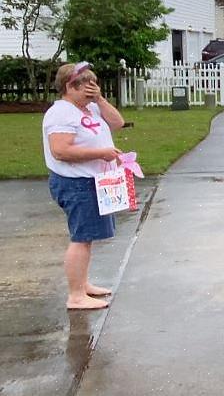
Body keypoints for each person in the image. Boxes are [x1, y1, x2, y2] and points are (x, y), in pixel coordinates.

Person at [43, 62, 125, 309]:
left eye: (95, 85)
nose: (92, 90)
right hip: (74, 182)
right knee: (81, 237)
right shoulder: (61, 113)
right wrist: (102, 153)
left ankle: (83, 285)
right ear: (70, 86)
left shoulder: (89, 108)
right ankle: (75, 296)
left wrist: (99, 101)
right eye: (87, 87)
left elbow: (118, 122)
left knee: (87, 237)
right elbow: (60, 150)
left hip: (92, 180)